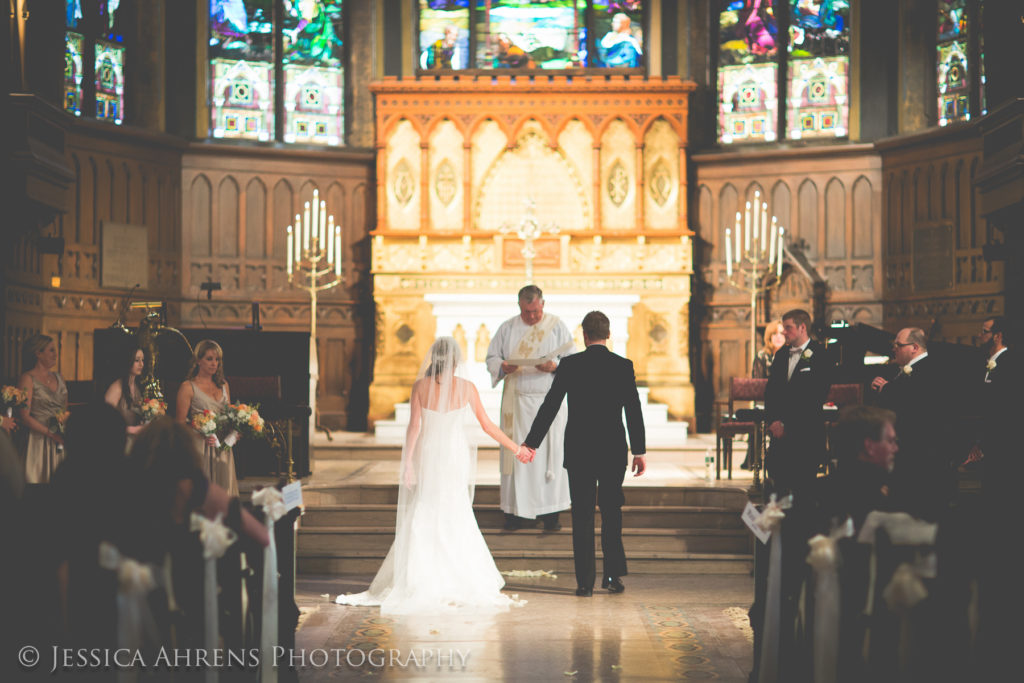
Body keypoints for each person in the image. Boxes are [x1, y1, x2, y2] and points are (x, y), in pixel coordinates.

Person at [336, 337, 531, 614]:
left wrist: (408, 464)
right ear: (456, 362)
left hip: (429, 453)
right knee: (455, 509)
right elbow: (487, 426)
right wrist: (516, 448)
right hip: (454, 455)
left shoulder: (420, 386)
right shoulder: (467, 388)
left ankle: (419, 576)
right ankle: (457, 577)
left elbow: (413, 428)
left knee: (426, 507)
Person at [522, 311, 646, 597]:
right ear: (608, 335)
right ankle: (613, 576)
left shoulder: (570, 365)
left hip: (579, 450)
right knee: (612, 513)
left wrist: (531, 443)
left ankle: (584, 583)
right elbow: (633, 411)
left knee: (582, 515)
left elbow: (550, 406)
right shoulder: (623, 366)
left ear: (585, 335)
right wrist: (639, 451)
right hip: (613, 450)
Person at [486, 285, 573, 532]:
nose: (532, 317)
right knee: (519, 457)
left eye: (535, 311)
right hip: (518, 402)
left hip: (549, 402)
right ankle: (515, 513)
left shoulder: (556, 327)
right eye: (527, 312)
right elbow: (492, 358)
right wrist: (503, 366)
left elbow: (573, 360)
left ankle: (551, 514)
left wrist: (555, 366)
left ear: (543, 304)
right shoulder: (508, 328)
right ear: (519, 307)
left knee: (550, 458)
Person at [869, 327, 951, 519]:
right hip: (906, 451)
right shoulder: (908, 371)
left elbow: (916, 405)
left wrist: (887, 389)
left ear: (914, 347)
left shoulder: (931, 368)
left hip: (921, 453)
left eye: (898, 345)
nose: (894, 349)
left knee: (920, 512)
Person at [764, 309, 831, 497]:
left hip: (805, 434)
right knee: (778, 492)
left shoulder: (821, 355)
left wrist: (787, 425)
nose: (784, 332)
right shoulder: (781, 355)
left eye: (788, 328)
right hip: (779, 437)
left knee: (803, 493)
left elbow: (814, 397)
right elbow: (771, 393)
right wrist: (774, 422)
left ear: (802, 328)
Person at [176, 339, 238, 496]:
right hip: (201, 447)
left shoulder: (224, 385)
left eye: (217, 359)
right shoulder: (187, 387)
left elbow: (230, 415)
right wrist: (201, 432)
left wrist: (235, 432)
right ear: (198, 361)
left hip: (222, 447)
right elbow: (179, 424)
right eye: (209, 359)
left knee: (224, 493)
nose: (214, 363)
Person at [17, 334, 69, 484]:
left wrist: (61, 432)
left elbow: (64, 409)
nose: (56, 354)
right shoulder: (27, 378)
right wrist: (50, 433)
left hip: (59, 440)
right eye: (51, 350)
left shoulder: (60, 377)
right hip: (37, 441)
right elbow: (24, 416)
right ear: (38, 354)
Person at [104, 347, 146, 452]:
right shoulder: (117, 388)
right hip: (117, 442)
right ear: (128, 361)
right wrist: (132, 430)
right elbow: (104, 421)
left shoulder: (136, 387)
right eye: (137, 360)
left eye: (142, 360)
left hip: (134, 440)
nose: (141, 364)